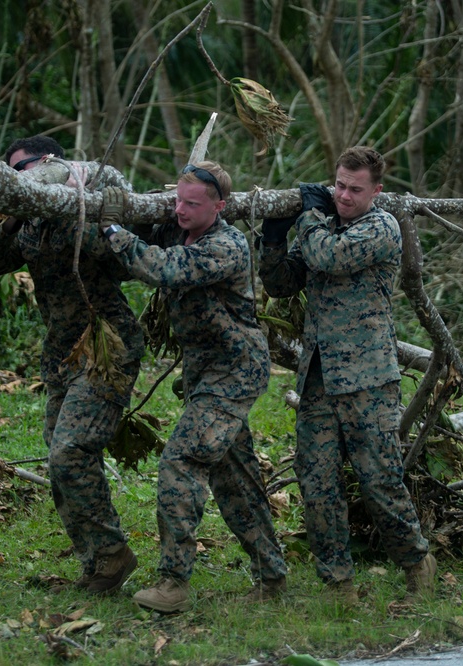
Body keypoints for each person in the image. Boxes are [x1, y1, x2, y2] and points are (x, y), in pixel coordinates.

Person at [99, 161, 287, 613]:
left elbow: (165, 270)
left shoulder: (227, 245)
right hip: (207, 375)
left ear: (219, 207)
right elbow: (156, 240)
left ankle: (173, 582)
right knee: (234, 476)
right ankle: (273, 575)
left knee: (181, 461)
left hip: (235, 371)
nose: (180, 210)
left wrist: (114, 231)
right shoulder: (179, 229)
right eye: (177, 201)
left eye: (192, 204)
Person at [258, 146, 436, 604]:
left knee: (379, 479)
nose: (343, 196)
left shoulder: (382, 227)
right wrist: (274, 239)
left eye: (355, 189)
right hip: (319, 376)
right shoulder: (325, 222)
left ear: (376, 191)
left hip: (368, 378)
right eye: (338, 185)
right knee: (316, 480)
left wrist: (309, 215)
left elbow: (330, 257)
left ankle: (418, 564)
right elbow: (282, 283)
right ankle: (338, 583)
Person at [0, 135, 144, 595]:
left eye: (25, 169)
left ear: (49, 164)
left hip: (106, 346)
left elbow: (124, 261)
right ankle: (96, 563)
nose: (22, 178)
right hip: (61, 355)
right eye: (13, 174)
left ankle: (112, 555)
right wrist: (10, 221)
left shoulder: (83, 206)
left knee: (70, 451)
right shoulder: (26, 224)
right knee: (58, 458)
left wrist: (79, 212)